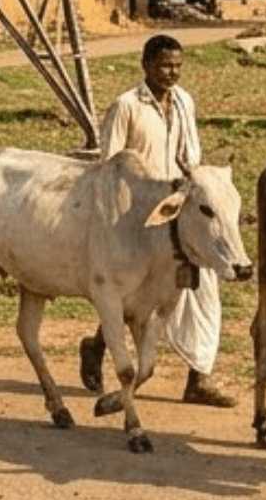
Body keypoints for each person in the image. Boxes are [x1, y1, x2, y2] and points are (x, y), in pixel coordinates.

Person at [79, 33, 235, 407]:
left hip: (180, 211)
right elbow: (110, 166)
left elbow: (190, 155)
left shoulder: (184, 102)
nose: (172, 73)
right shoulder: (126, 107)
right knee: (134, 292)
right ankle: (97, 345)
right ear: (146, 65)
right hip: (138, 217)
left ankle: (200, 379)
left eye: (178, 66)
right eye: (165, 65)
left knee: (203, 286)